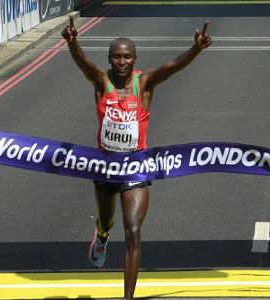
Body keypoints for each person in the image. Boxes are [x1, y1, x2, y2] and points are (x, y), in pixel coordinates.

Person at [61, 15, 212, 299]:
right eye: (117, 57)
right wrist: (73, 43)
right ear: (109, 59)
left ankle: (128, 297)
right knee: (107, 222)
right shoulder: (101, 81)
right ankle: (102, 236)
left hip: (135, 166)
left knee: (133, 230)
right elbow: (84, 64)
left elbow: (172, 67)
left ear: (134, 59)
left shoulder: (143, 84)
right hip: (104, 166)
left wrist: (196, 49)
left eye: (127, 57)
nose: (122, 62)